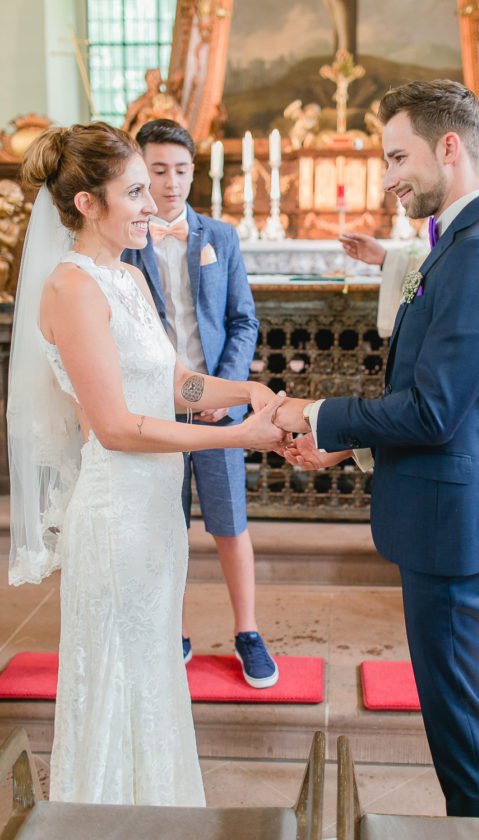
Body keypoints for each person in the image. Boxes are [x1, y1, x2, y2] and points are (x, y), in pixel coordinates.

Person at [274, 80, 479, 818]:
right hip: (444, 510)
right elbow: (440, 402)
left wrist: (319, 413)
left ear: (449, 147)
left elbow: (433, 410)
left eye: (397, 157)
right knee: (454, 714)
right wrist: (348, 452)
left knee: (462, 724)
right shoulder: (455, 240)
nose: (387, 176)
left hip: (456, 526)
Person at [7, 122, 286, 805]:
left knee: (154, 675)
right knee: (118, 679)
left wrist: (243, 390)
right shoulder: (72, 290)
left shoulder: (126, 277)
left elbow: (171, 383)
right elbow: (118, 427)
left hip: (155, 518)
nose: (151, 204)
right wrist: (236, 436)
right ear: (87, 205)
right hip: (117, 520)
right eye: (134, 191)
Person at [122, 118, 278, 688]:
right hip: (153, 408)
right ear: (139, 172)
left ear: (195, 172)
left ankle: (248, 632)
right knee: (165, 525)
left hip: (217, 408)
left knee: (230, 524)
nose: (171, 183)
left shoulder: (221, 237)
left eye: (181, 170)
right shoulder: (126, 239)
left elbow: (243, 320)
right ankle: (175, 631)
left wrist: (227, 390)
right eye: (158, 170)